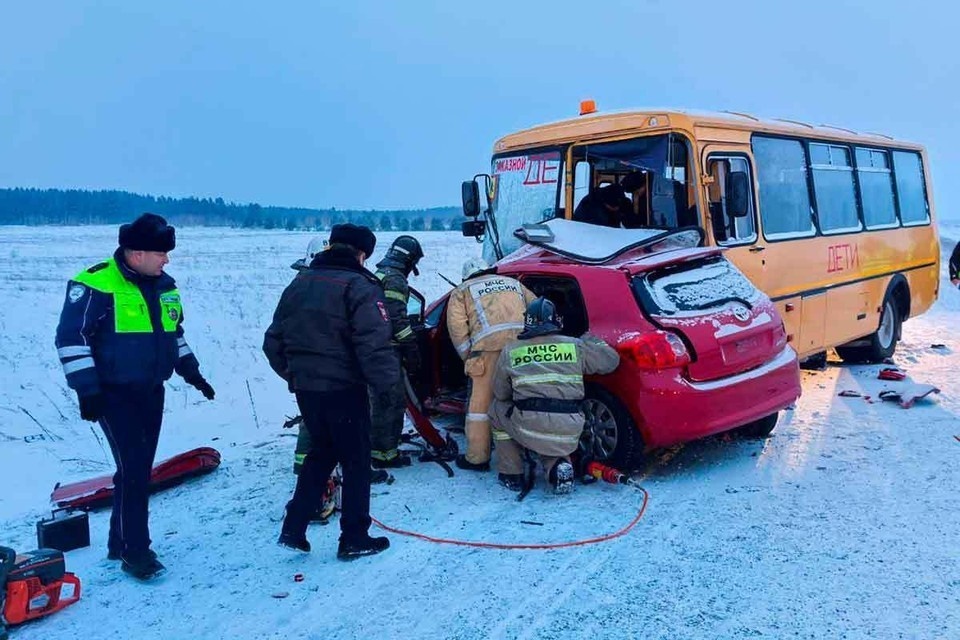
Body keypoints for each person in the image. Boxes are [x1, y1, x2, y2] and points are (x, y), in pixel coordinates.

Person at [54, 213, 215, 580]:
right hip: (113, 395)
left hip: (150, 392)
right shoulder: (95, 284)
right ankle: (135, 551)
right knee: (136, 470)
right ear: (136, 252)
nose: (167, 260)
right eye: (161, 253)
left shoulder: (165, 286)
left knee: (134, 469)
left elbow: (174, 335)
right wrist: (88, 390)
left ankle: (118, 541)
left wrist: (193, 373)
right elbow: (71, 339)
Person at [264, 223, 398, 560]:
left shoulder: (300, 283)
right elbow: (374, 345)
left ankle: (293, 528)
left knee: (321, 453)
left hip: (307, 390)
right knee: (355, 461)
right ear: (362, 253)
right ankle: (354, 537)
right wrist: (386, 388)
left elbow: (272, 343)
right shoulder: (361, 287)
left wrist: (297, 375)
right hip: (344, 389)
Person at [489, 297, 620, 494]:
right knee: (552, 438)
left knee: (497, 410)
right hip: (570, 428)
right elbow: (612, 361)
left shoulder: (511, 350)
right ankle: (557, 468)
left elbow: (501, 393)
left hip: (529, 425)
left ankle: (511, 473)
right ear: (556, 320)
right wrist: (591, 338)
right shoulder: (575, 346)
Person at [446, 257, 536, 471]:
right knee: (522, 401)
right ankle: (529, 451)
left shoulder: (462, 291)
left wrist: (469, 356)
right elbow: (538, 309)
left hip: (487, 353)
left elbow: (456, 328)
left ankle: (477, 458)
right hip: (521, 349)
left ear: (467, 275)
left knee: (480, 408)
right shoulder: (515, 284)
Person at [370, 235, 425, 468]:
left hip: (373, 348)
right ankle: (385, 454)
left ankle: (379, 447)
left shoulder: (379, 274)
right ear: (408, 259)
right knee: (391, 403)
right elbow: (397, 320)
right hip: (387, 351)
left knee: (377, 402)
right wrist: (411, 347)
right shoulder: (395, 280)